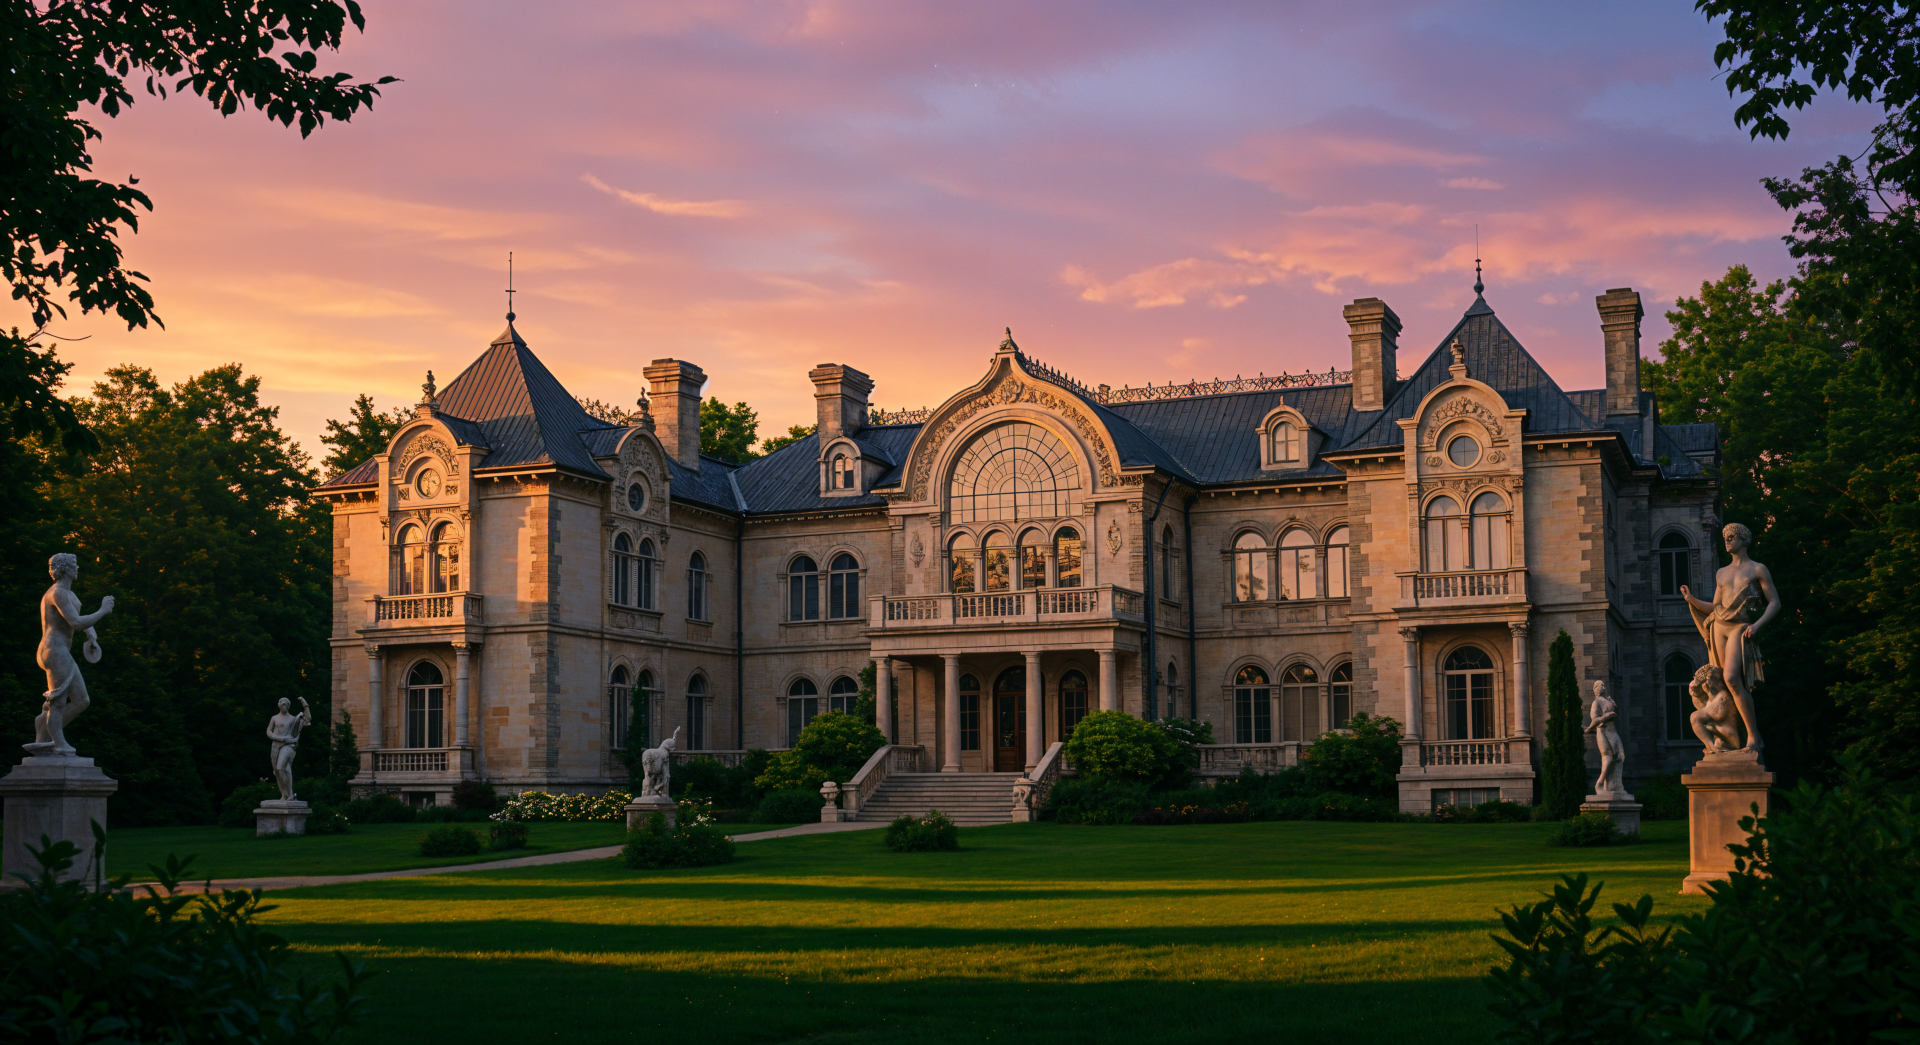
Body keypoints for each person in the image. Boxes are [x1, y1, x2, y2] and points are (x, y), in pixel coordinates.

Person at [1680, 523, 1779, 754]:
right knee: (1722, 684)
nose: (1727, 540)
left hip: (1740, 627)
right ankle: (1728, 740)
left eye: (1732, 536)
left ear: (1744, 539)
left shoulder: (1758, 569)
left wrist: (1756, 625)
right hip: (1718, 626)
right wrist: (1691, 599)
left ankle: (1754, 737)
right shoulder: (1721, 572)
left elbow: (1775, 602)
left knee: (1733, 678)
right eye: (1725, 537)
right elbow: (1715, 608)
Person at [27, 553, 114, 756]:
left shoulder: (70, 594)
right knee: (58, 701)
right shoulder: (57, 592)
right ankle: (58, 744)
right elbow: (75, 622)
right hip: (52, 650)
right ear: (65, 568)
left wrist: (90, 633)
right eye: (75, 564)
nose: (78, 567)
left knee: (82, 700)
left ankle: (43, 726)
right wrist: (102, 611)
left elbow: (78, 620)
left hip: (61, 652)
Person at [1584, 679, 1626, 794]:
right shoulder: (1596, 702)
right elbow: (1594, 721)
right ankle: (1600, 784)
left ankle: (1616, 785)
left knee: (1620, 756)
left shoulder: (1608, 700)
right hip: (1602, 731)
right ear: (1595, 688)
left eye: (1603, 685)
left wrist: (1613, 705)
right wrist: (1606, 716)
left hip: (1613, 731)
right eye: (1599, 685)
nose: (1603, 686)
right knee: (1608, 757)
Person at [268, 696, 313, 801]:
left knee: (280, 767)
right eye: (282, 704)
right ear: (279, 706)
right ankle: (285, 794)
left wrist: (305, 705)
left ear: (288, 706)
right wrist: (279, 738)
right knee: (279, 771)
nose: (284, 706)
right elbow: (269, 731)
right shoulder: (274, 718)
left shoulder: (293, 719)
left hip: (288, 745)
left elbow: (308, 718)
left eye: (286, 704)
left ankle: (290, 794)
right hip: (276, 745)